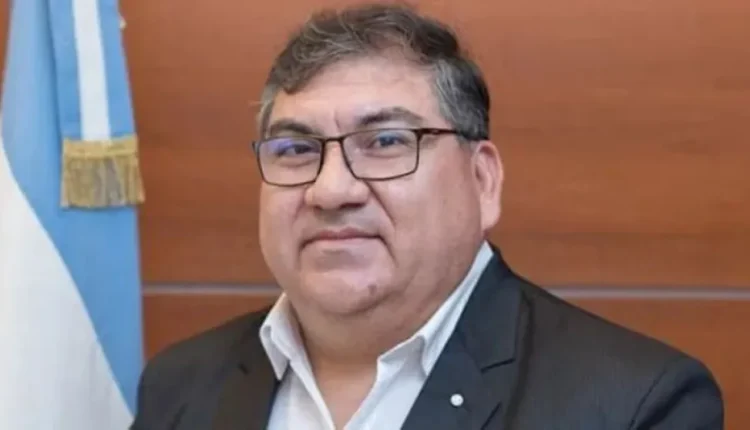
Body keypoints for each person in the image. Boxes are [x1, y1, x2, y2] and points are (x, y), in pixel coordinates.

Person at [130, 3, 723, 429]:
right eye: (296, 149)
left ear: (482, 181)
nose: (330, 190)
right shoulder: (181, 386)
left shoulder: (635, 404)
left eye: (386, 142)